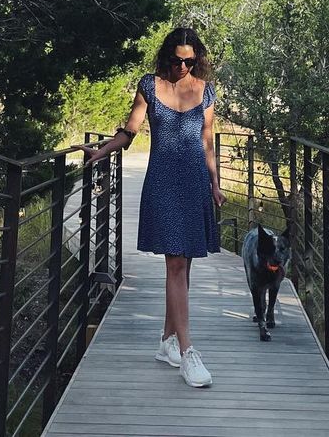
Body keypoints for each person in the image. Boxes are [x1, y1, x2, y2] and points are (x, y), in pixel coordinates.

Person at [81, 26, 225, 388]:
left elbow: (207, 141)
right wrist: (102, 150)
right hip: (162, 182)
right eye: (177, 60)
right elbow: (130, 130)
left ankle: (167, 341)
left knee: (184, 264)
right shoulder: (150, 85)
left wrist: (215, 183)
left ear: (197, 59)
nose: (183, 66)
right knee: (175, 263)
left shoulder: (206, 90)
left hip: (195, 182)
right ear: (167, 56)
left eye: (189, 61)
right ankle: (188, 353)